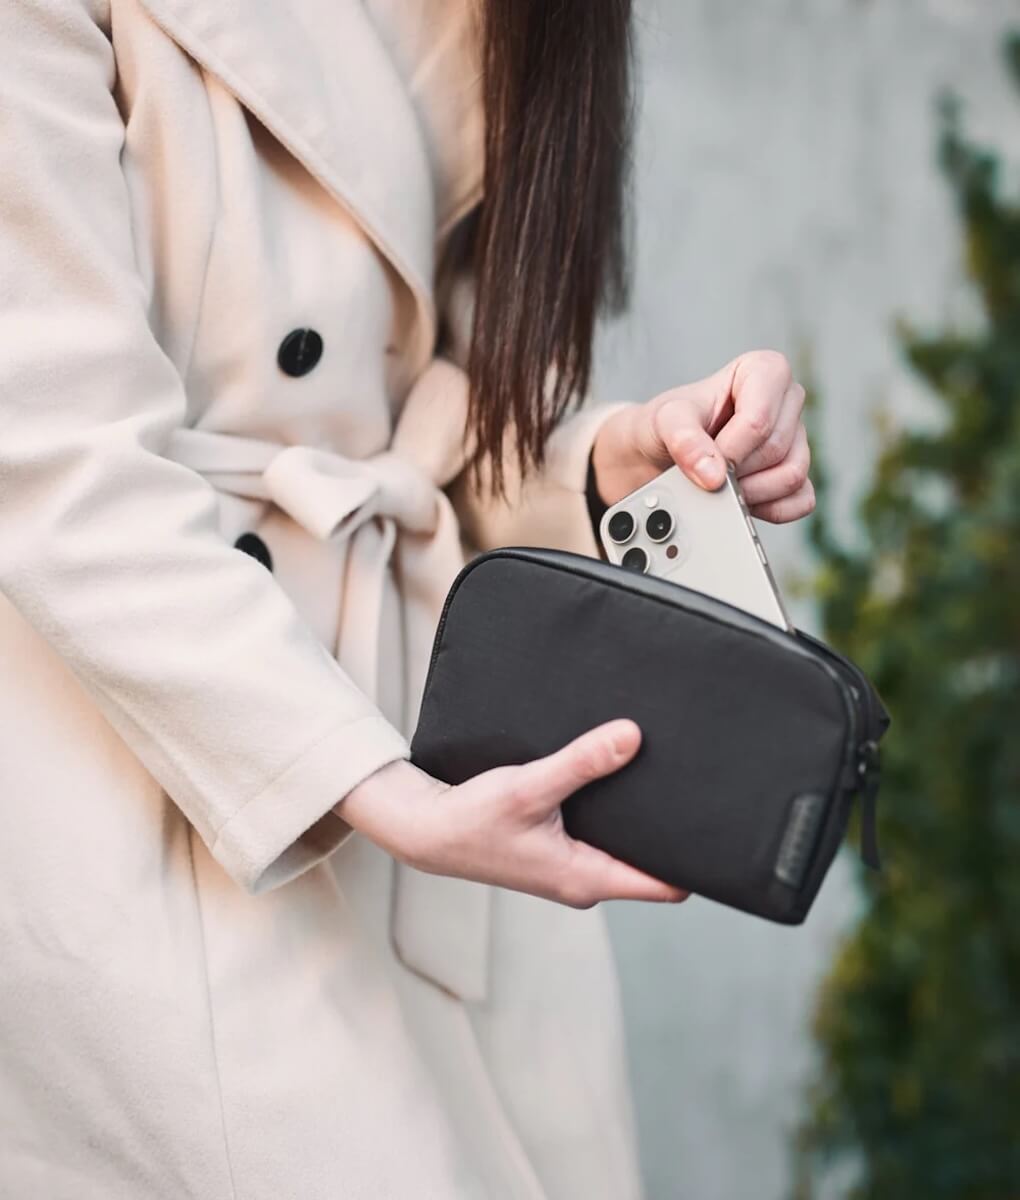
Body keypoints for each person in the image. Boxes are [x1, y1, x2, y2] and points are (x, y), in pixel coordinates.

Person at [0, 1, 815, 1196]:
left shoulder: (532, 21)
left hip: (432, 761)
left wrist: (613, 457)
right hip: (176, 755)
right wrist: (369, 786)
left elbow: (430, 415)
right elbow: (54, 450)